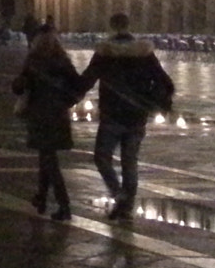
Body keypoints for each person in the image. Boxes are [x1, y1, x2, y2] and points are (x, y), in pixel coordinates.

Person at [75, 12, 175, 220]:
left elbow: (87, 80)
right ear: (129, 26)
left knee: (102, 157)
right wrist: (154, 102)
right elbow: (165, 82)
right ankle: (127, 205)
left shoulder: (105, 52)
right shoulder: (144, 53)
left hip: (112, 113)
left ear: (111, 27)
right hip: (136, 115)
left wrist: (67, 94)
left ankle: (118, 194)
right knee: (130, 161)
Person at [12, 28, 84, 220]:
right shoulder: (63, 61)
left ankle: (64, 204)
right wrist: (66, 102)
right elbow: (78, 87)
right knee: (46, 157)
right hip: (59, 115)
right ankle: (41, 198)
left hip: (39, 115)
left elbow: (19, 87)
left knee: (49, 161)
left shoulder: (33, 60)